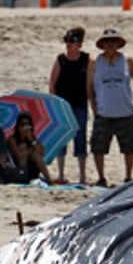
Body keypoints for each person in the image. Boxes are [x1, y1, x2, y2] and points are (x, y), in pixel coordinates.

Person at [87, 28, 133, 186]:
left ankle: (128, 176)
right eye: (107, 41)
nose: (110, 44)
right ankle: (101, 177)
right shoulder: (95, 62)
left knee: (129, 146)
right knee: (98, 147)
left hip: (124, 110)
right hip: (103, 111)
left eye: (113, 41)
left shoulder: (127, 60)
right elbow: (89, 86)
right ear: (102, 44)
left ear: (118, 44)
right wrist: (93, 105)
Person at [47, 26, 88, 183]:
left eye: (72, 41)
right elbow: (52, 82)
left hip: (80, 104)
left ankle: (82, 176)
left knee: (81, 138)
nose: (68, 44)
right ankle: (61, 174)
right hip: (63, 106)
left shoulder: (87, 59)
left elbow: (90, 84)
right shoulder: (60, 60)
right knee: (61, 140)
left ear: (79, 43)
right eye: (67, 41)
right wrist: (53, 104)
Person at [1, 111, 52, 183]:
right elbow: (18, 155)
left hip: (31, 168)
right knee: (23, 147)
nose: (25, 127)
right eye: (23, 124)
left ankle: (49, 179)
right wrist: (30, 150)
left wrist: (31, 139)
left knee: (35, 154)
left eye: (28, 125)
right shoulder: (12, 139)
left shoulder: (31, 138)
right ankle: (23, 177)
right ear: (18, 126)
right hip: (17, 167)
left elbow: (42, 152)